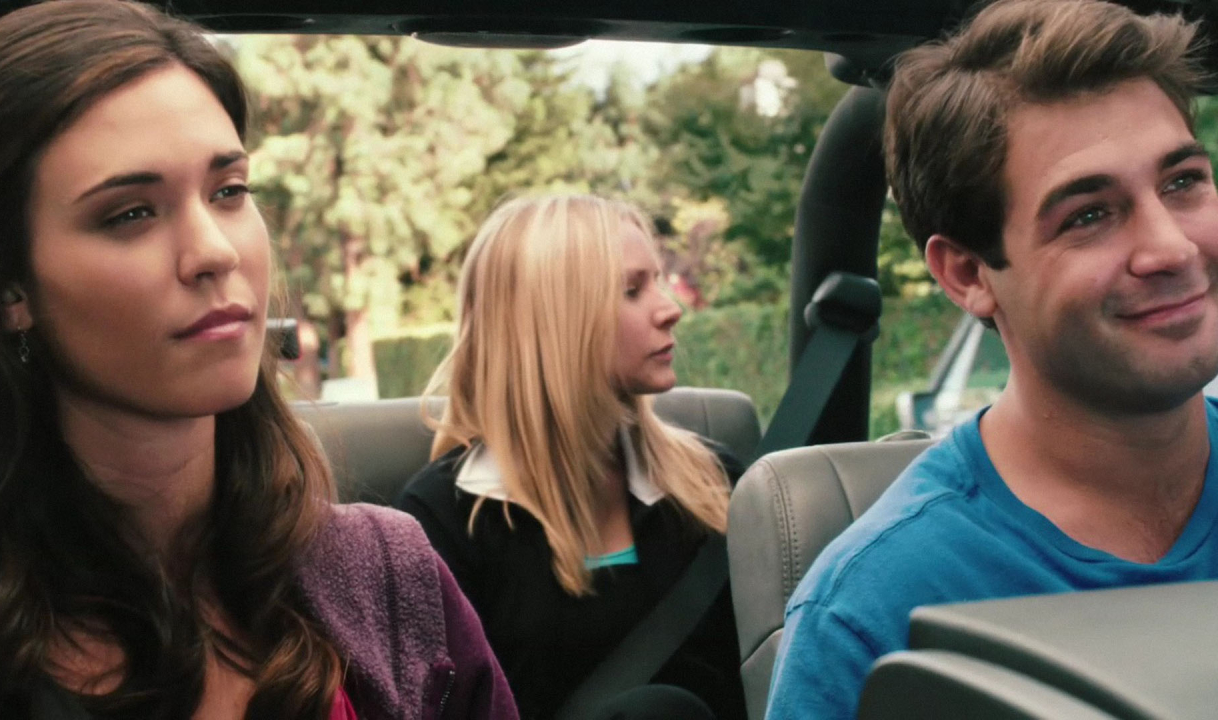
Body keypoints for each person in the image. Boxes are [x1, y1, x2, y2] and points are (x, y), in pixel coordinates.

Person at [0, 2, 516, 718]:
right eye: (130, 213)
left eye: (229, 191)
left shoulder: (389, 574)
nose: (214, 250)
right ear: (8, 290)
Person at [765, 0, 1218, 717]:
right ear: (968, 274)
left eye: (1183, 181)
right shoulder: (872, 614)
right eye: (1088, 215)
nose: (1171, 247)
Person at [394, 195, 747, 720]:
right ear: (552, 323)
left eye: (659, 281)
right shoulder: (442, 524)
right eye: (632, 290)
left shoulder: (715, 485)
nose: (670, 309)